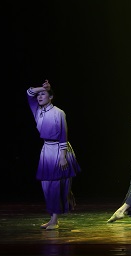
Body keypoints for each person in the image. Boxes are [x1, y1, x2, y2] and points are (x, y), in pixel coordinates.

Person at [26, 80, 81, 231]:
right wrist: (42, 88)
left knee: (55, 186)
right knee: (46, 186)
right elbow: (29, 93)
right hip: (46, 150)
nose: (39, 97)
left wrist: (63, 156)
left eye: (43, 94)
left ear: (51, 97)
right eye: (38, 95)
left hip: (58, 149)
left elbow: (63, 135)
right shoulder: (37, 110)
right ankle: (53, 216)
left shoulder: (59, 113)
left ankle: (55, 220)